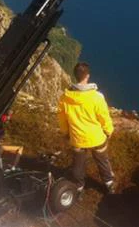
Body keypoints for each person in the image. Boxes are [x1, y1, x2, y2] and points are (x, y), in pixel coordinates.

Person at [57, 62, 115, 193]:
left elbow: (62, 118)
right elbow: (104, 117)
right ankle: (109, 183)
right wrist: (109, 131)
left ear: (75, 76)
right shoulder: (97, 97)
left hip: (77, 138)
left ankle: (79, 187)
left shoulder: (65, 98)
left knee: (78, 165)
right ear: (87, 76)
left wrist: (66, 133)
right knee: (102, 161)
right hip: (96, 138)